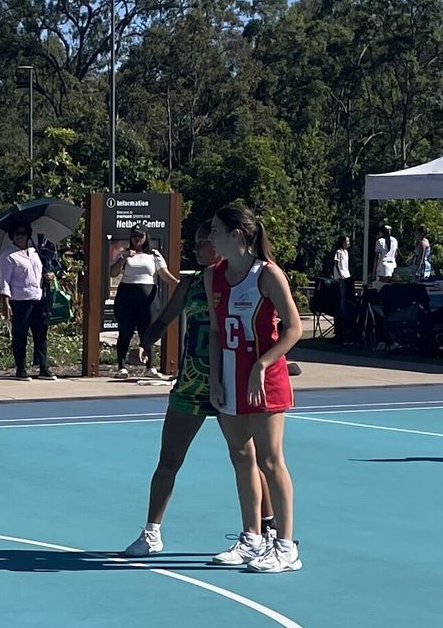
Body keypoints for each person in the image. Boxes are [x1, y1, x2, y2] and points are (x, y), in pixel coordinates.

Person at [120, 217, 272, 558]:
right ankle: (151, 532)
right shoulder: (192, 283)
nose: (199, 248)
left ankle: (265, 529)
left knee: (246, 458)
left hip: (230, 382)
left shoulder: (243, 280)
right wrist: (146, 342)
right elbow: (165, 318)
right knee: (169, 459)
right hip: (192, 381)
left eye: (204, 241)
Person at [209, 204, 305, 572]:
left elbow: (294, 328)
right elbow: (216, 332)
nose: (210, 238)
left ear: (236, 235)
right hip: (230, 378)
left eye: (216, 231)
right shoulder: (214, 276)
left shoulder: (267, 274)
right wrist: (215, 379)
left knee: (270, 460)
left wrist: (262, 364)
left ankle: (286, 545)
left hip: (264, 379)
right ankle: (252, 537)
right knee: (241, 456)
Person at [109, 229, 167, 379]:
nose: (137, 239)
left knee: (147, 331)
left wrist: (176, 282)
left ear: (146, 237)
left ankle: (150, 367)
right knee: (125, 331)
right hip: (127, 295)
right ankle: (122, 367)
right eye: (134, 235)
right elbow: (113, 273)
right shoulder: (125, 253)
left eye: (140, 236)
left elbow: (163, 273)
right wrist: (123, 258)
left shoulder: (154, 254)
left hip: (148, 297)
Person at [0, 223, 52, 381]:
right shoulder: (8, 256)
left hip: (38, 298)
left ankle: (43, 367)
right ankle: (21, 368)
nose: (20, 236)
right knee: (20, 334)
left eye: (23, 233)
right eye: (16, 234)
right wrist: (5, 302)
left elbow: (40, 272)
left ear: (28, 235)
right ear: (12, 237)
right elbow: (4, 281)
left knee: (41, 334)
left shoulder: (35, 253)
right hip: (20, 300)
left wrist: (48, 276)